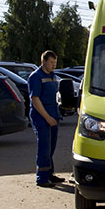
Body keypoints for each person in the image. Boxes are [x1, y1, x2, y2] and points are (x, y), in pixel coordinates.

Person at [28, 50, 63, 187]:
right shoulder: (36, 77)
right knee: (44, 147)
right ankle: (41, 178)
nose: (54, 65)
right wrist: (47, 117)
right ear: (44, 61)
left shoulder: (53, 76)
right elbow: (35, 100)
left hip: (53, 114)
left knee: (51, 147)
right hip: (41, 116)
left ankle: (49, 173)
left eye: (55, 62)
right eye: (52, 62)